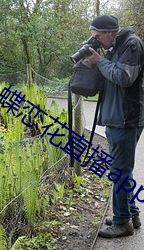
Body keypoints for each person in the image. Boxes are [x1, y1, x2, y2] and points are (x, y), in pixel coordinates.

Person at [86, 15, 144, 238]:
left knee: (119, 172)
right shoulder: (115, 46)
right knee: (122, 170)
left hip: (126, 118)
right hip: (116, 117)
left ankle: (122, 223)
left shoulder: (132, 44)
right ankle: (131, 214)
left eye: (98, 37)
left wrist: (99, 61)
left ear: (110, 32)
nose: (97, 41)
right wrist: (96, 60)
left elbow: (123, 77)